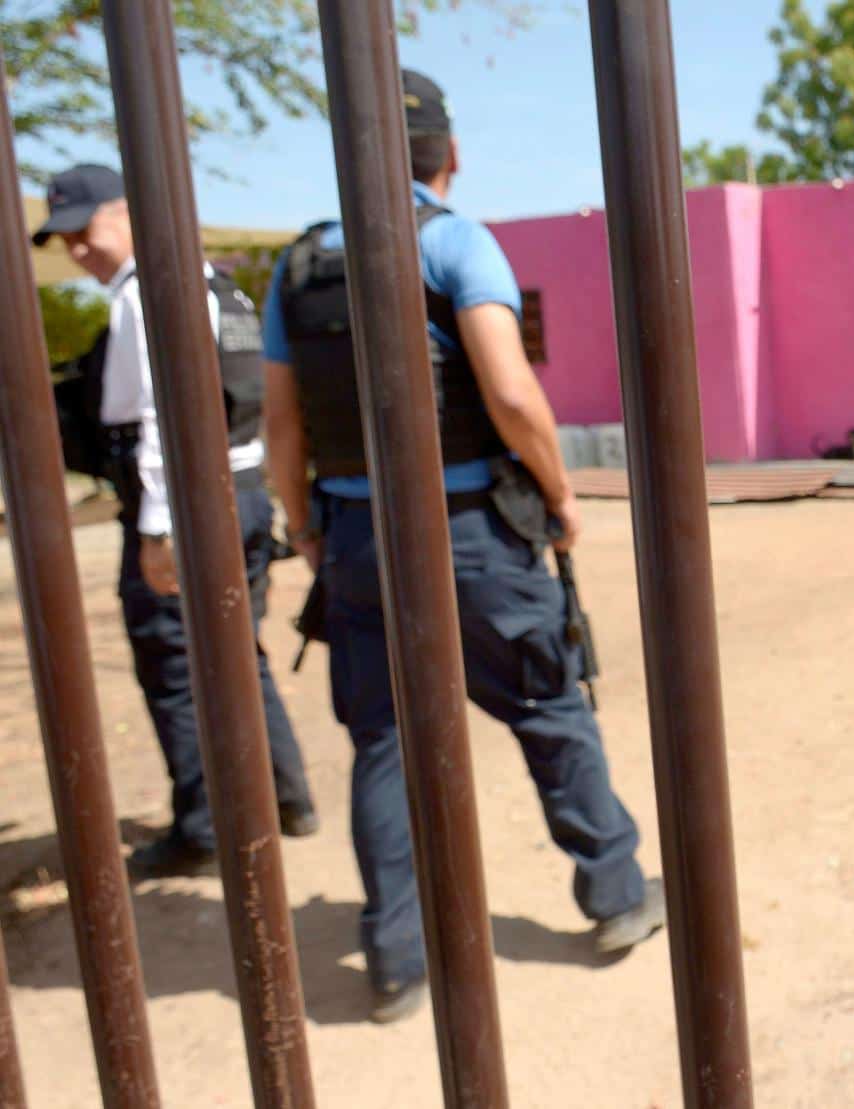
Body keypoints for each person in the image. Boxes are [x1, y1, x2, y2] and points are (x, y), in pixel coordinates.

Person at [260, 70, 663, 1024]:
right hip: (470, 532)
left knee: (386, 743)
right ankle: (614, 897)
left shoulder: (300, 267)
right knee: (548, 707)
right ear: (449, 157)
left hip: (356, 537)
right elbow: (513, 394)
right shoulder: (451, 239)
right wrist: (561, 496)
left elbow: (282, 429)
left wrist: (311, 528)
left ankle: (398, 956)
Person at [33, 164, 318, 879]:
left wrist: (159, 528)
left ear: (126, 213)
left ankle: (203, 828)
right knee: (234, 649)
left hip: (186, 505)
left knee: (173, 665)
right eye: (64, 239)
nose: (76, 252)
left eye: (85, 231)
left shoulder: (146, 293)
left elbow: (165, 414)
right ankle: (285, 796)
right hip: (241, 491)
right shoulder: (218, 284)